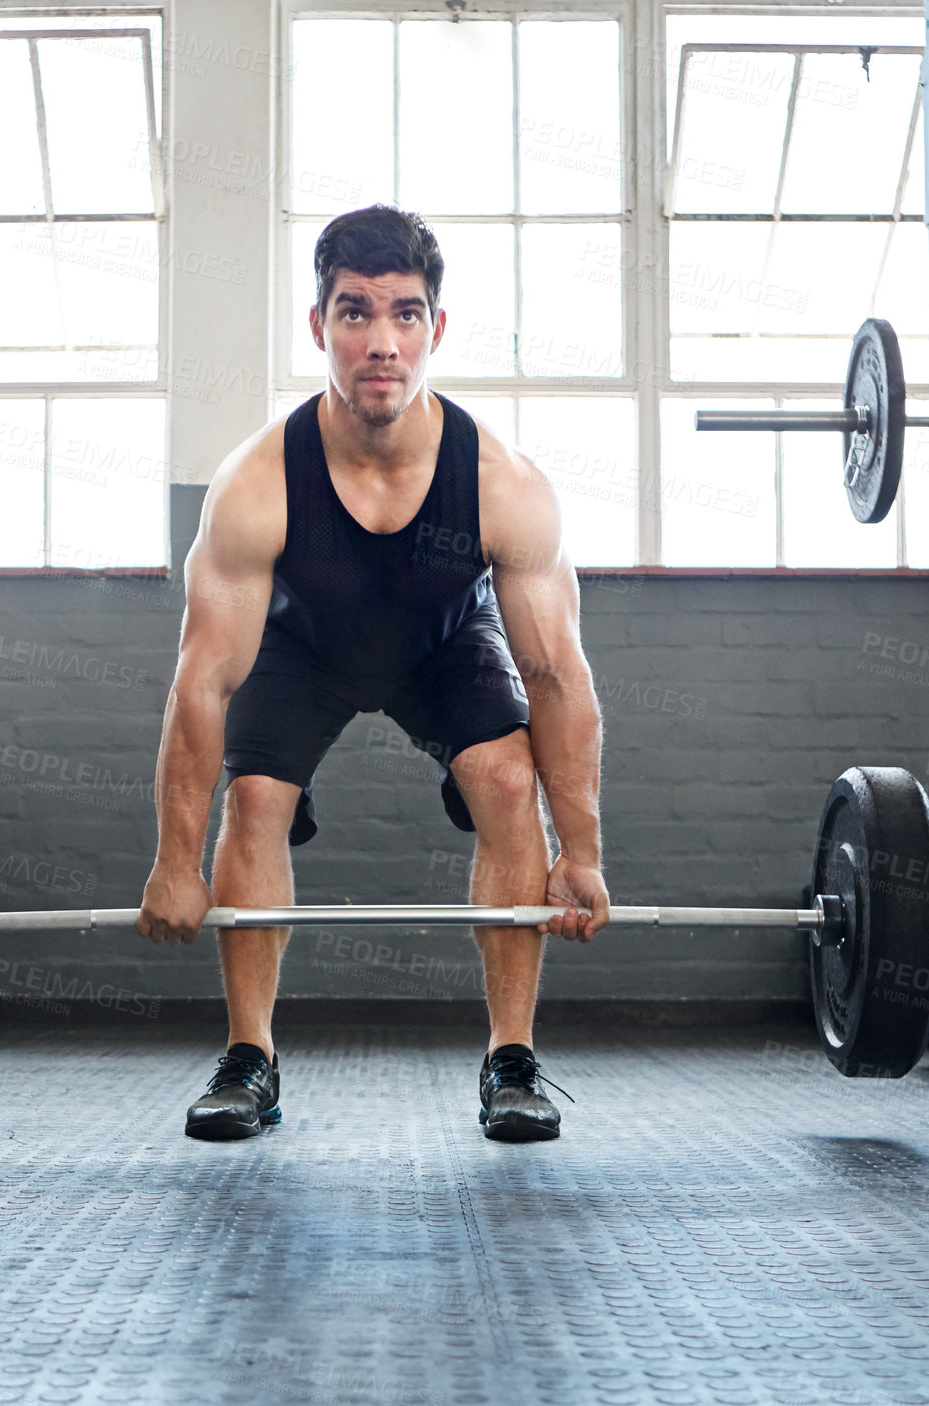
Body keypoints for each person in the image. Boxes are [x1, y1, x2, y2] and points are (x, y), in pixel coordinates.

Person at [136, 204, 609, 1143]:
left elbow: (555, 676)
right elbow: (202, 685)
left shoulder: (502, 484)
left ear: (436, 329)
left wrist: (582, 851)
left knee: (508, 780)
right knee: (259, 796)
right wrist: (171, 865)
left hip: (440, 642)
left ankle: (510, 1061)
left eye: (403, 314)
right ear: (319, 328)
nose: (380, 342)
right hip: (302, 644)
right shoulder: (257, 483)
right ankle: (250, 1059)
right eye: (355, 313)